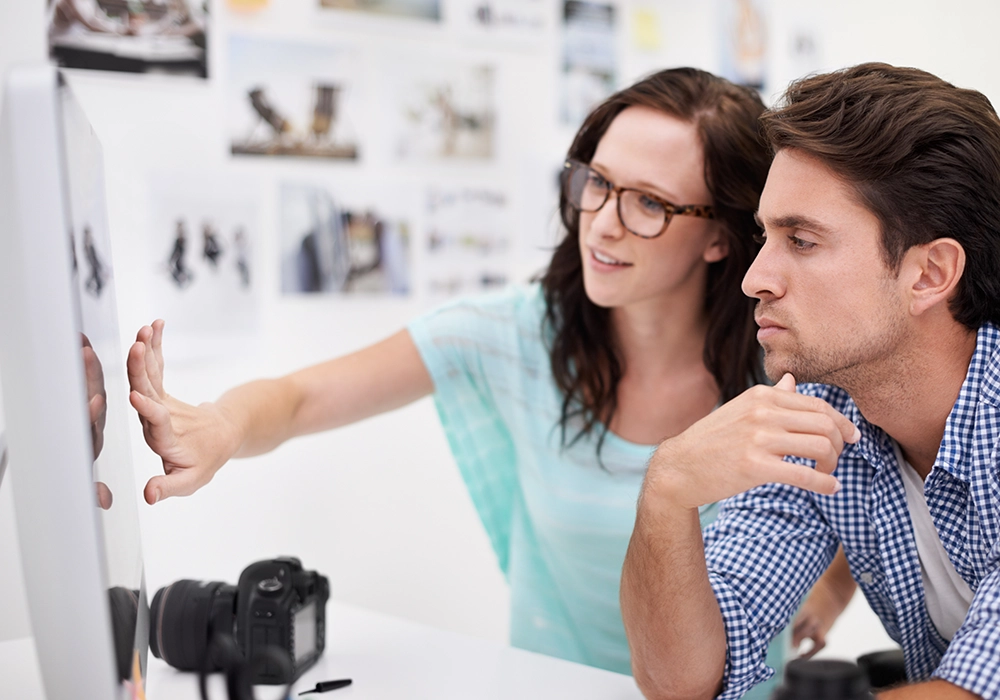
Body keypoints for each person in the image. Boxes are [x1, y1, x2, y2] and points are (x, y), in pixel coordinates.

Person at [128, 68, 841, 692]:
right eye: (596, 182)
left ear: (722, 235)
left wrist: (835, 587)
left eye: (649, 203)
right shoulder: (512, 334)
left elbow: (883, 478)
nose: (600, 223)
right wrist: (220, 426)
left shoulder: (780, 365)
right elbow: (303, 396)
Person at [621, 62, 1000, 700]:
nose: (755, 279)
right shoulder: (820, 408)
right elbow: (682, 681)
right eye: (765, 236)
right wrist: (666, 495)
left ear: (930, 273)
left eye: (800, 239)